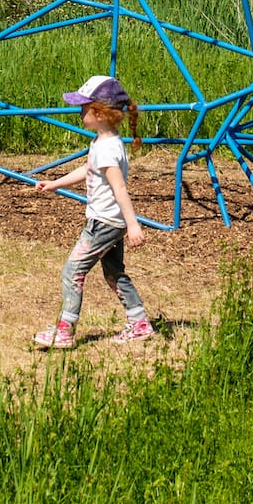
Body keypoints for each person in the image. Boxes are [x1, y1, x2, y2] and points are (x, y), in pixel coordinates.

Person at [31, 74, 154, 349]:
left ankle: (65, 330)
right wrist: (54, 184)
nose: (79, 112)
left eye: (83, 109)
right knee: (113, 273)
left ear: (99, 113)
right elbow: (88, 170)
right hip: (112, 222)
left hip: (104, 224)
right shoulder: (105, 142)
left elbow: (120, 188)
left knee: (72, 271)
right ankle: (140, 323)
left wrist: (133, 225)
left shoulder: (108, 149)